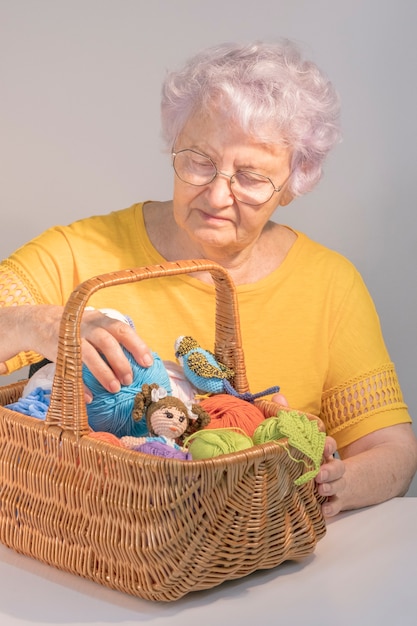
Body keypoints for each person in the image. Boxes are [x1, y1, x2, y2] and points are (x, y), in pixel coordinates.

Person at [0, 40, 416, 517]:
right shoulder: (80, 252)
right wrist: (33, 324)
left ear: (293, 184)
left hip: (268, 556)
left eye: (252, 176)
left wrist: (332, 486)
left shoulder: (331, 284)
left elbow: (395, 452)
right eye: (199, 160)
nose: (217, 195)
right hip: (96, 539)